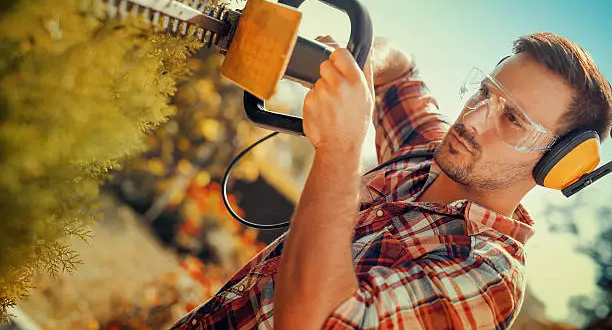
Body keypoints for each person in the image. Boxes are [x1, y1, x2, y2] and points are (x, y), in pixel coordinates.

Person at [170, 32, 612, 329]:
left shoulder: (489, 276)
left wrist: (341, 146)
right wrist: (362, 63)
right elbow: (401, 69)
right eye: (485, 92)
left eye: (512, 118)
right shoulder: (428, 151)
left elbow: (315, 321)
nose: (473, 120)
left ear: (557, 163)